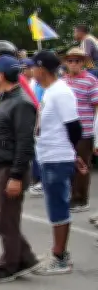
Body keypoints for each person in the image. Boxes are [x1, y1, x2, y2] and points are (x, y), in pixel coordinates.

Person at [0, 55, 40, 284]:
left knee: (6, 219)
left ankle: (9, 265)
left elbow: (25, 143)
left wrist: (16, 176)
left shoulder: (22, 103)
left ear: (2, 75)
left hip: (9, 168)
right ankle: (25, 257)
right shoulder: (5, 99)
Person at [30, 50, 86, 275]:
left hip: (56, 156)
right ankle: (57, 251)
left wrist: (71, 152)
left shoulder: (60, 92)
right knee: (55, 205)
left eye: (33, 67)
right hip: (50, 155)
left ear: (42, 69)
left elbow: (74, 126)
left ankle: (60, 257)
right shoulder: (50, 91)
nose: (31, 71)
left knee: (58, 206)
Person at [59, 47, 97, 212]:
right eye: (70, 60)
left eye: (77, 60)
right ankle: (72, 195)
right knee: (68, 164)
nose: (74, 63)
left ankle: (81, 199)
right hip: (66, 130)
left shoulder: (91, 80)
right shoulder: (62, 81)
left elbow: (97, 106)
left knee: (81, 164)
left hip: (84, 130)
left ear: (83, 62)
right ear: (66, 63)